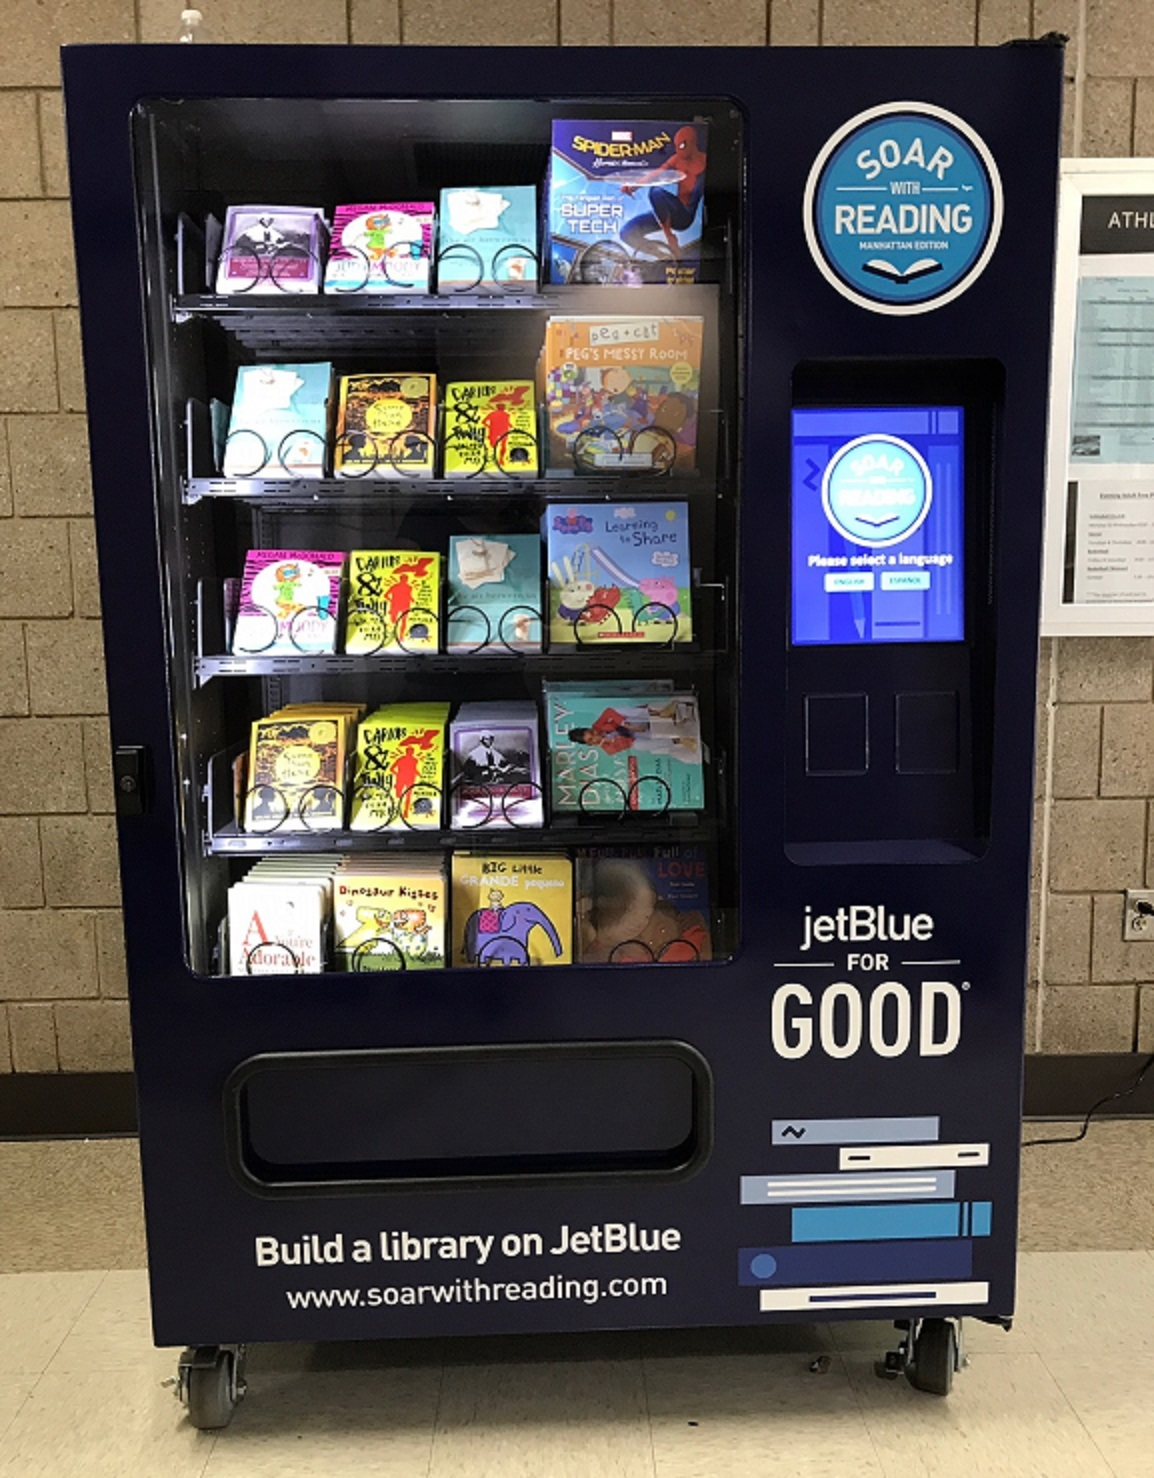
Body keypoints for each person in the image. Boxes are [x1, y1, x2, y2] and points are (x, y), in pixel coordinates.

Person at [620, 125, 707, 263]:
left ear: (692, 143)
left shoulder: (704, 161)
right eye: (676, 146)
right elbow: (656, 174)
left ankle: (671, 239)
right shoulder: (677, 159)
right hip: (669, 213)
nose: (678, 150)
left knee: (656, 192)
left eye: (682, 146)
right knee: (627, 232)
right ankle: (664, 256)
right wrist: (633, 186)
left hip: (684, 215)